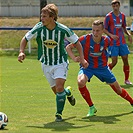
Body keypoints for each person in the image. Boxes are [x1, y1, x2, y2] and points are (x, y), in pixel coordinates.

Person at [18, 3, 88, 122]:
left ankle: (58, 115)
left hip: (60, 62)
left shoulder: (63, 29)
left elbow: (77, 43)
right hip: (45, 63)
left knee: (59, 87)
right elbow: (25, 38)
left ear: (52, 17)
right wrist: (21, 52)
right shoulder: (39, 27)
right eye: (41, 16)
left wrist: (82, 58)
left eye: (45, 16)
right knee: (57, 92)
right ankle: (68, 93)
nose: (42, 19)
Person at [66, 20, 133, 117]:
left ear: (102, 31)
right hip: (87, 67)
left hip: (103, 68)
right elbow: (68, 47)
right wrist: (74, 58)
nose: (95, 33)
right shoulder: (84, 39)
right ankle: (91, 107)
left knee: (118, 89)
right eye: (93, 30)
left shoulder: (107, 40)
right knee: (80, 82)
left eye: (98, 31)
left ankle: (132, 102)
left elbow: (111, 49)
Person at [104, 0, 132, 85]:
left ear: (119, 6)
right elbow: (104, 29)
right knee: (114, 61)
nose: (115, 7)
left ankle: (126, 80)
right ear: (112, 7)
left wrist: (129, 34)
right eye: (113, 6)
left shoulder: (122, 16)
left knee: (125, 59)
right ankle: (106, 74)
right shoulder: (108, 16)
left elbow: (123, 27)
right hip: (113, 43)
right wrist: (111, 35)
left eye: (116, 5)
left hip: (122, 42)